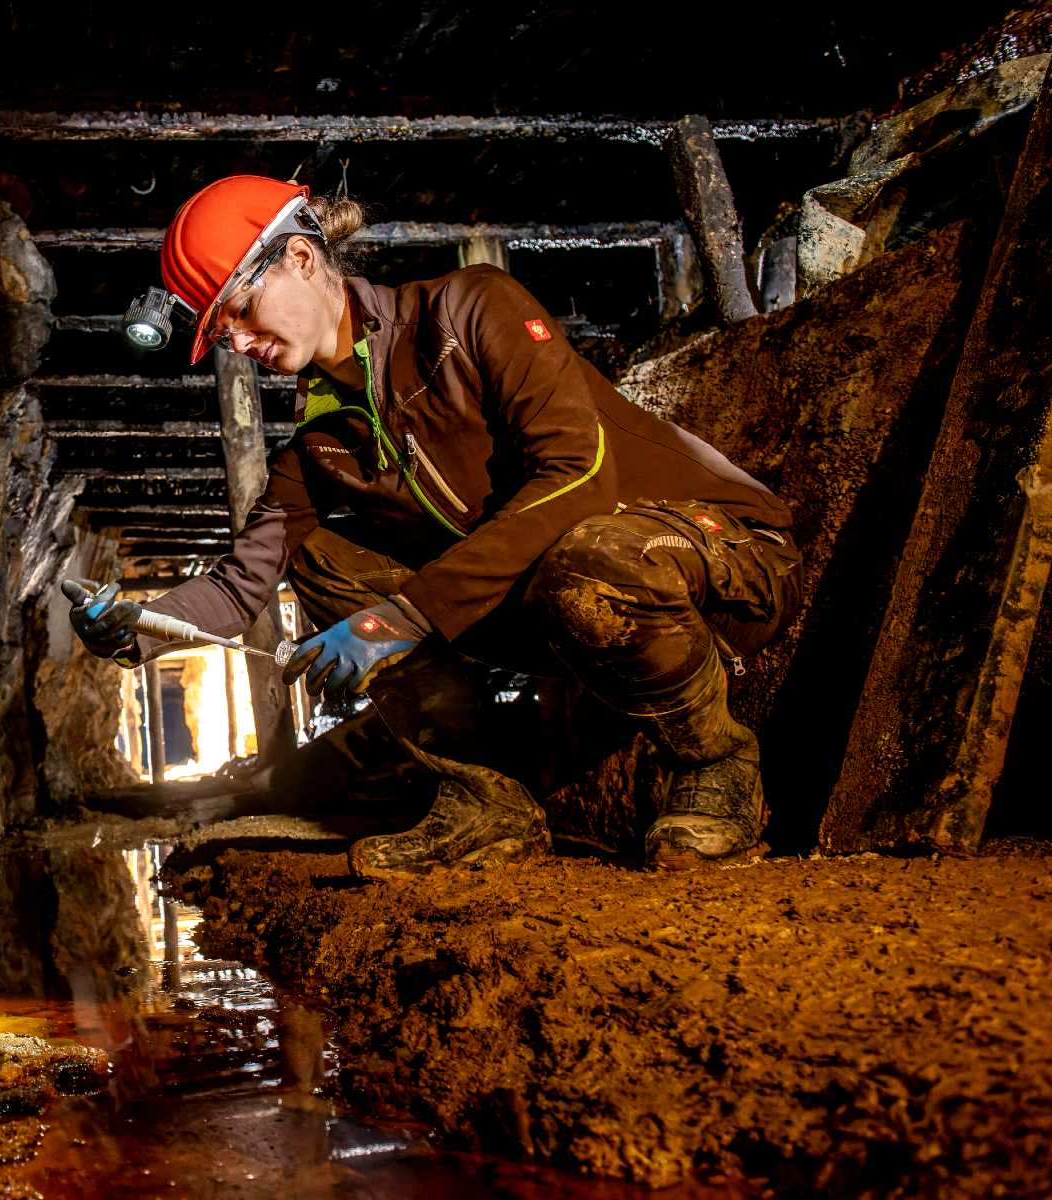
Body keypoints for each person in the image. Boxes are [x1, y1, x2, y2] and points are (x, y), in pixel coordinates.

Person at [63, 175, 803, 874]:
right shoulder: (321, 440)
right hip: (556, 608)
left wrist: (400, 618)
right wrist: (141, 624)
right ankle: (489, 801)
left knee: (589, 554)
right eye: (223, 335)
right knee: (319, 555)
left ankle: (716, 763)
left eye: (240, 313)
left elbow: (579, 476)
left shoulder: (471, 310)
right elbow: (239, 584)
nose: (240, 344)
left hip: (710, 554)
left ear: (299, 257)